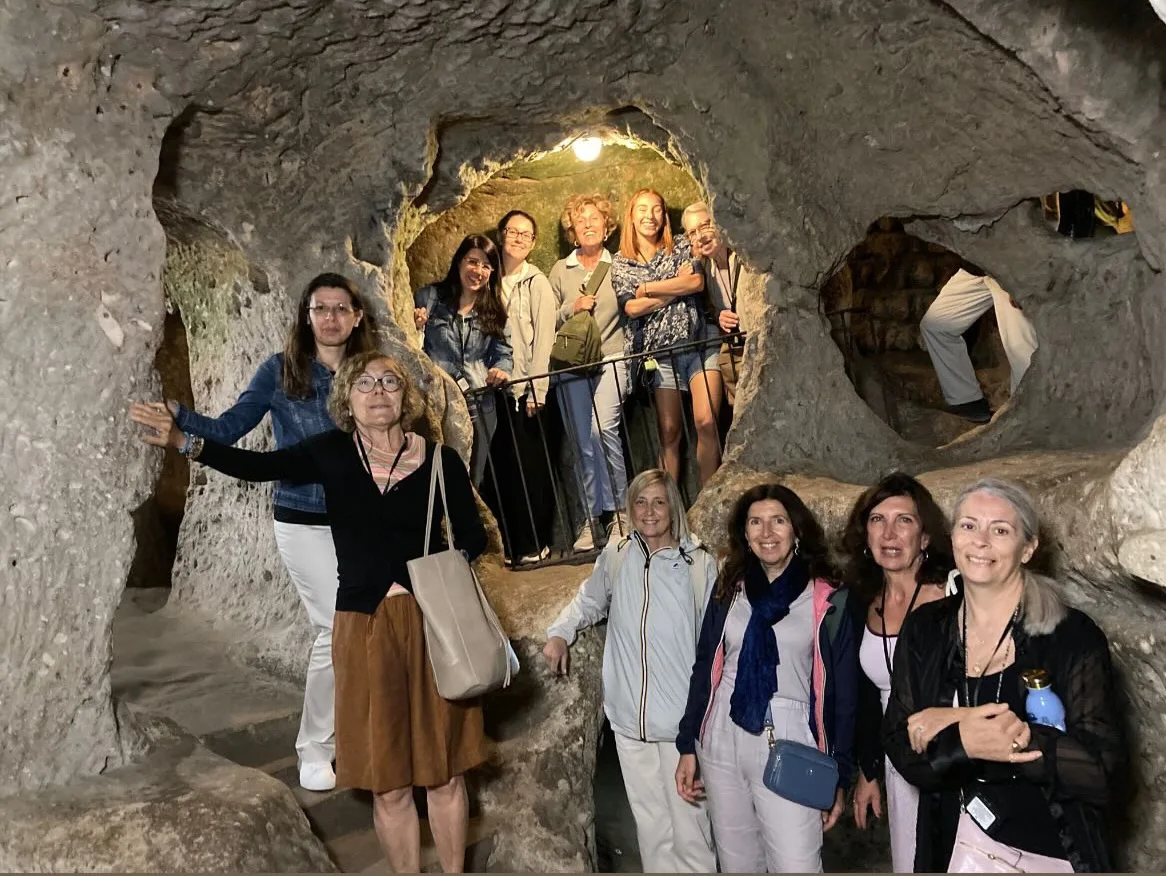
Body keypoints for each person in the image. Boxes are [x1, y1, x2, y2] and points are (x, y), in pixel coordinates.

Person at [131, 352, 490, 874]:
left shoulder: (440, 462)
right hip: (363, 627)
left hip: (432, 626)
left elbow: (473, 537)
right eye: (364, 383)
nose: (378, 391)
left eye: (389, 381)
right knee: (389, 784)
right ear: (345, 399)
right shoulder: (330, 453)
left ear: (406, 396)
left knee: (446, 774)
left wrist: (424, 577)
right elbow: (259, 467)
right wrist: (188, 442)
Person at [129, 272, 377, 793]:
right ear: (306, 316)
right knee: (335, 628)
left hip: (362, 519)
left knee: (369, 627)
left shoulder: (370, 372)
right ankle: (315, 748)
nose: (330, 318)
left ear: (357, 317)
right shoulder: (281, 370)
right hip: (304, 520)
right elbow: (229, 428)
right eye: (320, 308)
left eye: (341, 308)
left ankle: (359, 733)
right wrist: (180, 420)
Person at [883, 478, 1123, 872]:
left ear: (1028, 548)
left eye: (1000, 530)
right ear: (953, 537)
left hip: (1051, 850)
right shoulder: (926, 628)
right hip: (956, 848)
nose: (980, 541)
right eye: (969, 525)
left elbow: (1099, 772)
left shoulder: (1072, 635)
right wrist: (964, 742)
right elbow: (901, 744)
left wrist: (989, 731)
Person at [676, 484, 857, 873]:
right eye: (755, 522)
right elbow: (705, 665)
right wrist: (688, 743)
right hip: (722, 730)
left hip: (791, 735)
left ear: (796, 530)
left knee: (797, 863)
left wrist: (840, 773)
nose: (767, 532)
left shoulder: (827, 598)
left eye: (778, 521)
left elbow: (844, 695)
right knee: (738, 862)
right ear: (745, 533)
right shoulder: (731, 588)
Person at [543, 469, 717, 873]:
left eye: (658, 502)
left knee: (693, 833)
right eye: (640, 502)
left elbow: (714, 647)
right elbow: (588, 601)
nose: (649, 511)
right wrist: (559, 633)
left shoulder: (698, 565)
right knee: (652, 830)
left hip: (680, 729)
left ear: (673, 508)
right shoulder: (618, 555)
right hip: (628, 723)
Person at [841, 473, 954, 872]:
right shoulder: (860, 602)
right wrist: (869, 770)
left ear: (925, 537)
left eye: (904, 520)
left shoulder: (953, 593)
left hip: (953, 754)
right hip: (897, 760)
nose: (889, 533)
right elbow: (867, 698)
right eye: (878, 520)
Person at [612, 188, 718, 488]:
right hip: (659, 354)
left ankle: (711, 503)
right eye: (643, 209)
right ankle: (666, 508)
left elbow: (696, 282)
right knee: (669, 433)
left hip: (698, 341)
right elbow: (632, 307)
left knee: (707, 421)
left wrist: (648, 288)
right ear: (631, 216)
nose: (650, 216)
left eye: (657, 209)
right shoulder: (621, 262)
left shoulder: (681, 244)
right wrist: (675, 286)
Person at [548, 193, 629, 552]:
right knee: (582, 442)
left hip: (612, 356)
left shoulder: (619, 264)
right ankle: (591, 519)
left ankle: (621, 512)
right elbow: (549, 318)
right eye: (581, 220)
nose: (588, 225)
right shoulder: (560, 270)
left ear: (607, 226)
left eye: (594, 218)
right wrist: (573, 307)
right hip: (572, 364)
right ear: (572, 230)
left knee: (601, 429)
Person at [487, 209, 559, 564]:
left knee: (530, 470)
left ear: (533, 243)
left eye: (525, 234)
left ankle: (533, 543)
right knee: (501, 470)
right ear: (501, 235)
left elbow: (544, 339)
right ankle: (507, 546)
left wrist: (537, 389)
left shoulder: (536, 282)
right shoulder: (488, 278)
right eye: (512, 231)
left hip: (526, 389)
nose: (518, 238)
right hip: (493, 389)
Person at [414, 234, 513, 486]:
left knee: (472, 478)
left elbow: (503, 352)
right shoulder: (430, 298)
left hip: (479, 402)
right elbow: (410, 345)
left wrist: (500, 370)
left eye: (486, 266)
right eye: (473, 262)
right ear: (459, 261)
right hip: (438, 401)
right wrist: (415, 325)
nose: (478, 271)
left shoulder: (494, 310)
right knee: (433, 472)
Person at [919, 266, 1038, 424]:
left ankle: (1028, 414)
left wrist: (1017, 280)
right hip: (979, 269)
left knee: (1020, 348)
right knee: (936, 326)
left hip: (1011, 271)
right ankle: (967, 401)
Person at [681, 201, 742, 408]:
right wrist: (719, 316)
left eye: (706, 225)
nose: (700, 236)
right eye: (692, 233)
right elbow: (712, 309)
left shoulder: (743, 255)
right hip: (738, 353)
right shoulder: (704, 267)